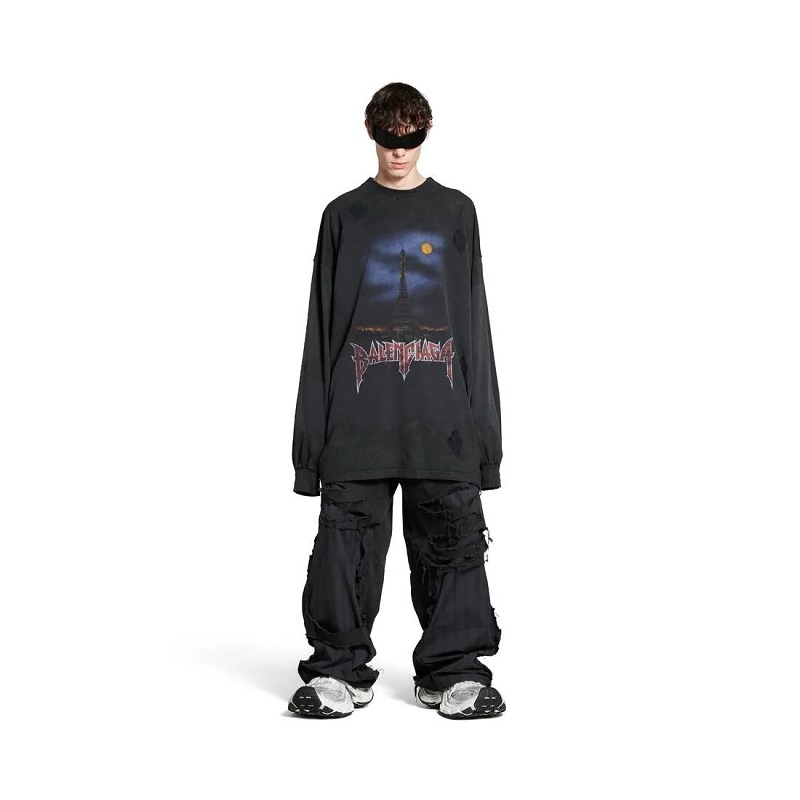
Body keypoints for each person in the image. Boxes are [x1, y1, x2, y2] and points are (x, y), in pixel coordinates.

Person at [288, 82, 505, 719]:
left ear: (426, 135)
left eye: (410, 138)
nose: (399, 150)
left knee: (454, 543)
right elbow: (321, 331)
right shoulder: (343, 216)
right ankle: (337, 667)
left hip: (444, 418)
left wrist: (485, 440)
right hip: (357, 419)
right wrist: (310, 447)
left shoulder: (457, 212)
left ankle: (454, 669)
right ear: (371, 134)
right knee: (345, 548)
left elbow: (474, 327)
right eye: (389, 138)